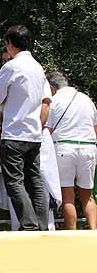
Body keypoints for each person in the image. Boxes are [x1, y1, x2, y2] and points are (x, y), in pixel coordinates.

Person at [0, 25, 50, 231]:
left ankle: (28, 224)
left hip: (14, 132)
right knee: (35, 181)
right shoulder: (38, 68)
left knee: (15, 182)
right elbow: (45, 100)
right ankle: (40, 224)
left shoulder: (11, 66)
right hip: (33, 133)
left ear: (11, 44)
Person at [45, 70, 97, 229]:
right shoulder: (86, 99)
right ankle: (94, 232)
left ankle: (72, 233)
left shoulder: (54, 101)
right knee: (87, 196)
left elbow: (48, 130)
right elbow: (95, 127)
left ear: (52, 87)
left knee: (68, 197)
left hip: (64, 147)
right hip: (88, 147)